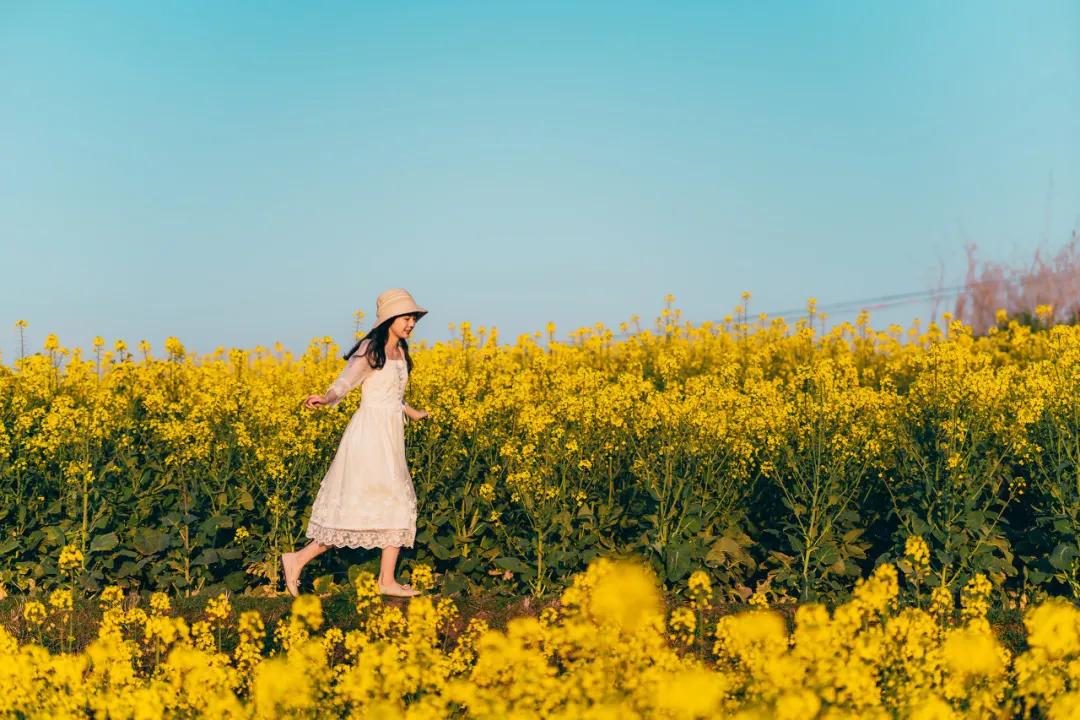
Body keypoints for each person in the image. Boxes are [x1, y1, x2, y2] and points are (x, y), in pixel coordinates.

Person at [281, 288, 431, 597]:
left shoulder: (401, 351)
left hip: (390, 433)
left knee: (397, 503)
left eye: (413, 319)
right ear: (389, 318)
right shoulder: (371, 349)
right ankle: (298, 559)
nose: (411, 324)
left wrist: (412, 412)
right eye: (406, 318)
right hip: (369, 435)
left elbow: (392, 395)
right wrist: (327, 398)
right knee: (355, 508)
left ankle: (386, 581)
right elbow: (346, 382)